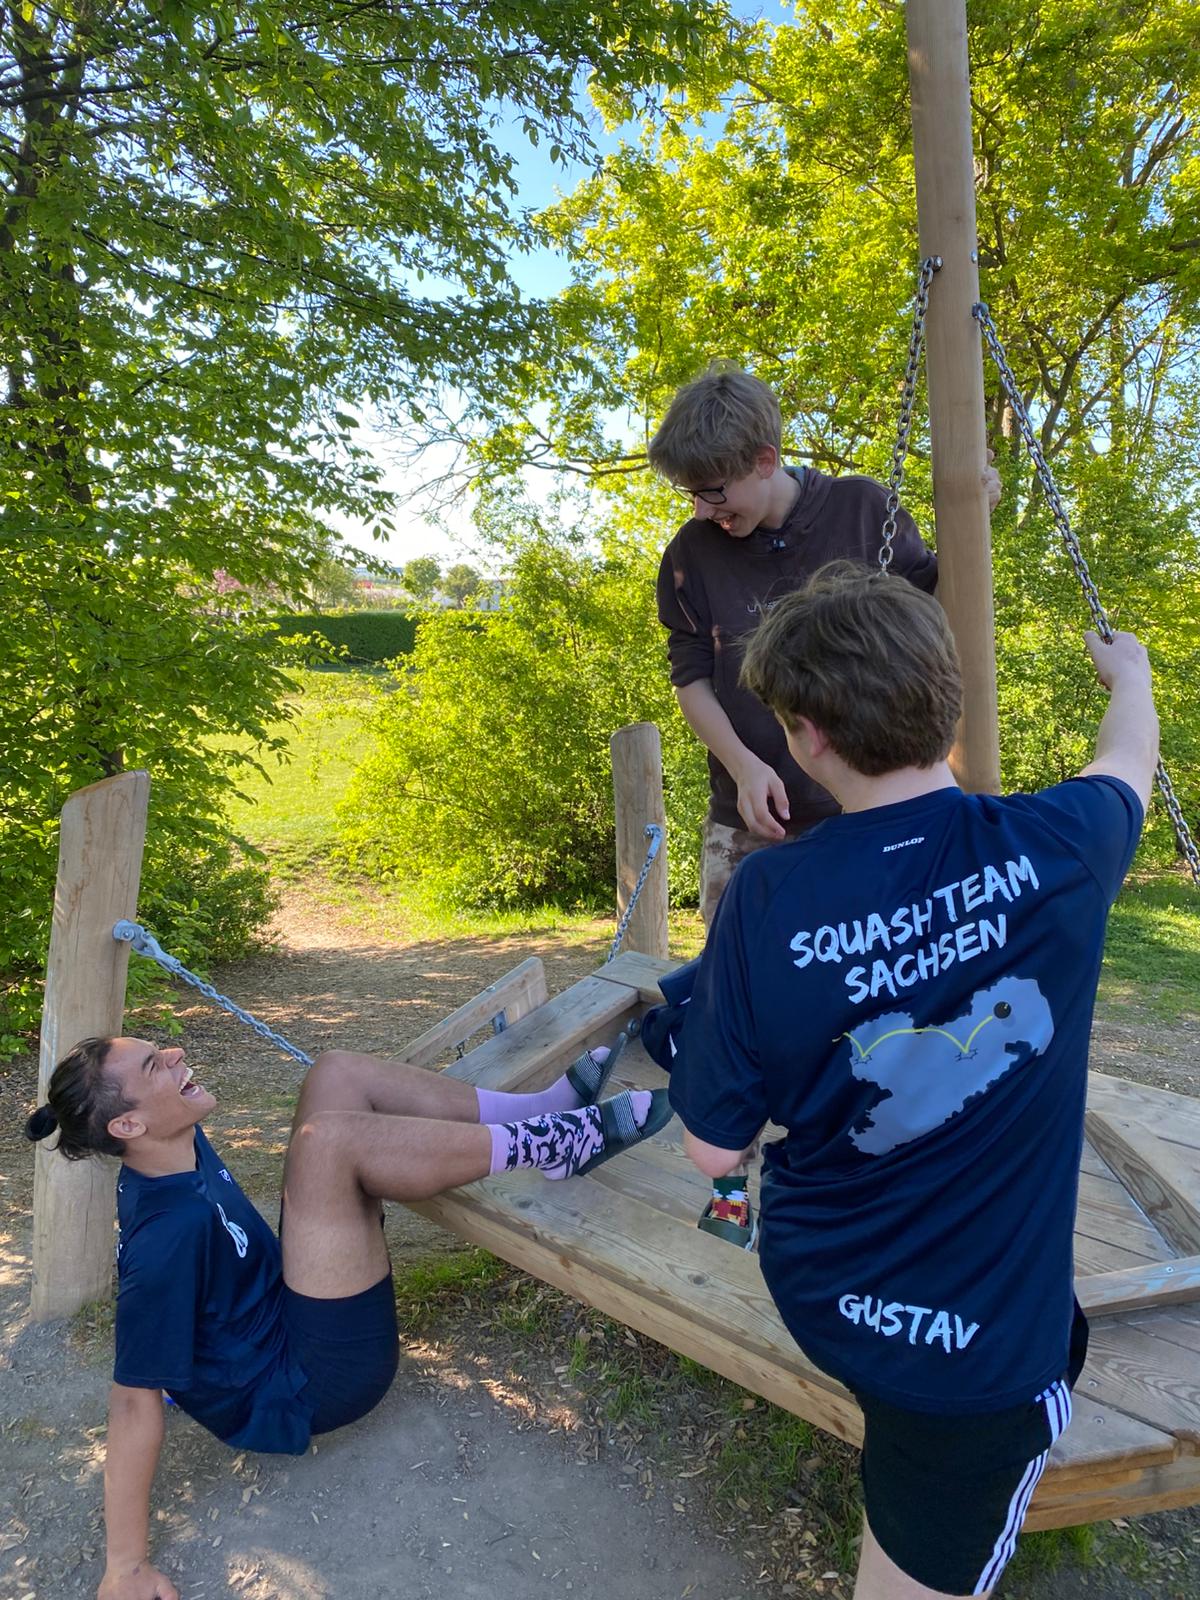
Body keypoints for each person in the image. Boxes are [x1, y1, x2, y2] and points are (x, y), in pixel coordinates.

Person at [641, 562, 1156, 1600]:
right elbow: (1128, 757)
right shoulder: (1061, 843)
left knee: (907, 1471)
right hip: (977, 1359)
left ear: (807, 737)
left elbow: (710, 1146)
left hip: (827, 1288)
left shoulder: (766, 892)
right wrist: (1131, 675)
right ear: (949, 703)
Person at [26, 1032, 671, 1600]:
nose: (175, 1054)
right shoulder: (161, 1240)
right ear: (128, 1126)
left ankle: (537, 1113)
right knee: (328, 1142)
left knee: (336, 1072)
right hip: (313, 1380)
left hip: (287, 1306)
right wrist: (125, 1566)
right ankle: (553, 1144)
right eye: (153, 1066)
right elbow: (132, 1401)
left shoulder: (171, 1145)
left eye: (159, 1049)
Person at [649, 363, 1000, 1246]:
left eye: (714, 491)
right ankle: (732, 1181)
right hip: (750, 817)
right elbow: (690, 678)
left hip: (867, 815)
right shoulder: (690, 555)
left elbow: (934, 621)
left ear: (765, 459)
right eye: (691, 494)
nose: (704, 509)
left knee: (875, 1000)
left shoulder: (862, 511)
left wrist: (975, 525)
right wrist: (742, 766)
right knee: (735, 1004)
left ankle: (882, 1169)